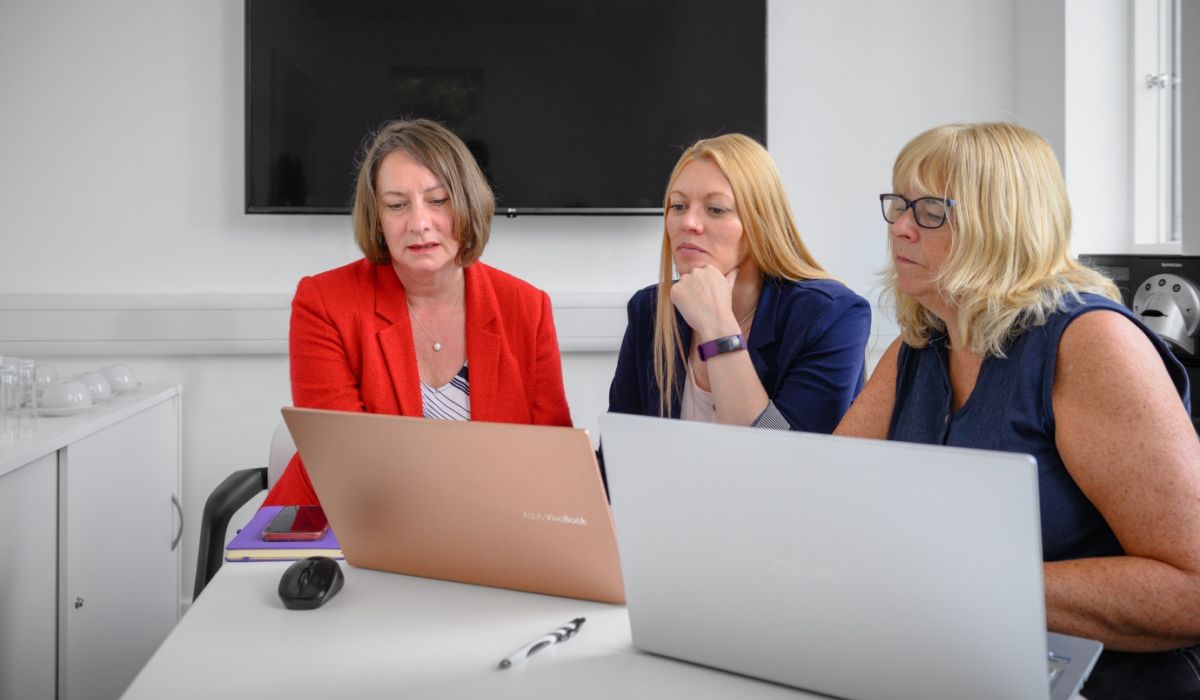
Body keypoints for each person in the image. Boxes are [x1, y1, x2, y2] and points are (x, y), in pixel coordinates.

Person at [835, 122, 1200, 698]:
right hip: (955, 666)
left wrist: (964, 583)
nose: (900, 227)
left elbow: (1190, 589)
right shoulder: (920, 343)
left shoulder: (1092, 342)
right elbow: (829, 506)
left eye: (930, 210)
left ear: (1002, 223)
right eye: (899, 205)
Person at [265, 119, 572, 506]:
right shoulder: (324, 303)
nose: (419, 223)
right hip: (349, 521)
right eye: (396, 205)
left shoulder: (527, 307)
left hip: (492, 524)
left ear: (467, 204)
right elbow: (345, 462)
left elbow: (553, 460)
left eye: (438, 200)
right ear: (377, 219)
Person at [608, 133, 870, 431]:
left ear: (761, 223)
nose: (688, 223)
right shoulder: (649, 310)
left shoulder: (830, 316)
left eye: (716, 209)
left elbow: (784, 454)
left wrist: (718, 326)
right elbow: (619, 448)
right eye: (678, 206)